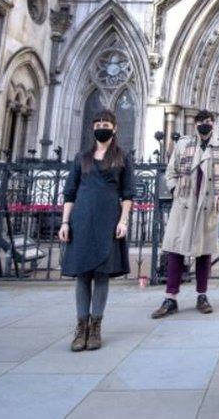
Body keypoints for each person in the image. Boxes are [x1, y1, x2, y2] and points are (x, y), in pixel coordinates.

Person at [58, 110, 135, 352]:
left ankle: (96, 327)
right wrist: (65, 222)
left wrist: (123, 221)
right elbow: (70, 193)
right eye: (98, 123)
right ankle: (81, 327)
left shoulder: (122, 158)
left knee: (101, 274)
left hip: (108, 219)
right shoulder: (82, 157)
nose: (101, 127)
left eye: (106, 124)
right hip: (81, 219)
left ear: (114, 128)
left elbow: (128, 194)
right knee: (83, 274)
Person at [152, 110, 219, 319]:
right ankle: (171, 298)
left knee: (204, 252)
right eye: (202, 121)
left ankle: (202, 295)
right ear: (195, 124)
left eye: (209, 122)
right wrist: (176, 191)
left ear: (214, 124)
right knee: (175, 250)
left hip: (207, 204)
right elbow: (171, 172)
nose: (206, 125)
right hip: (185, 204)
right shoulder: (183, 145)